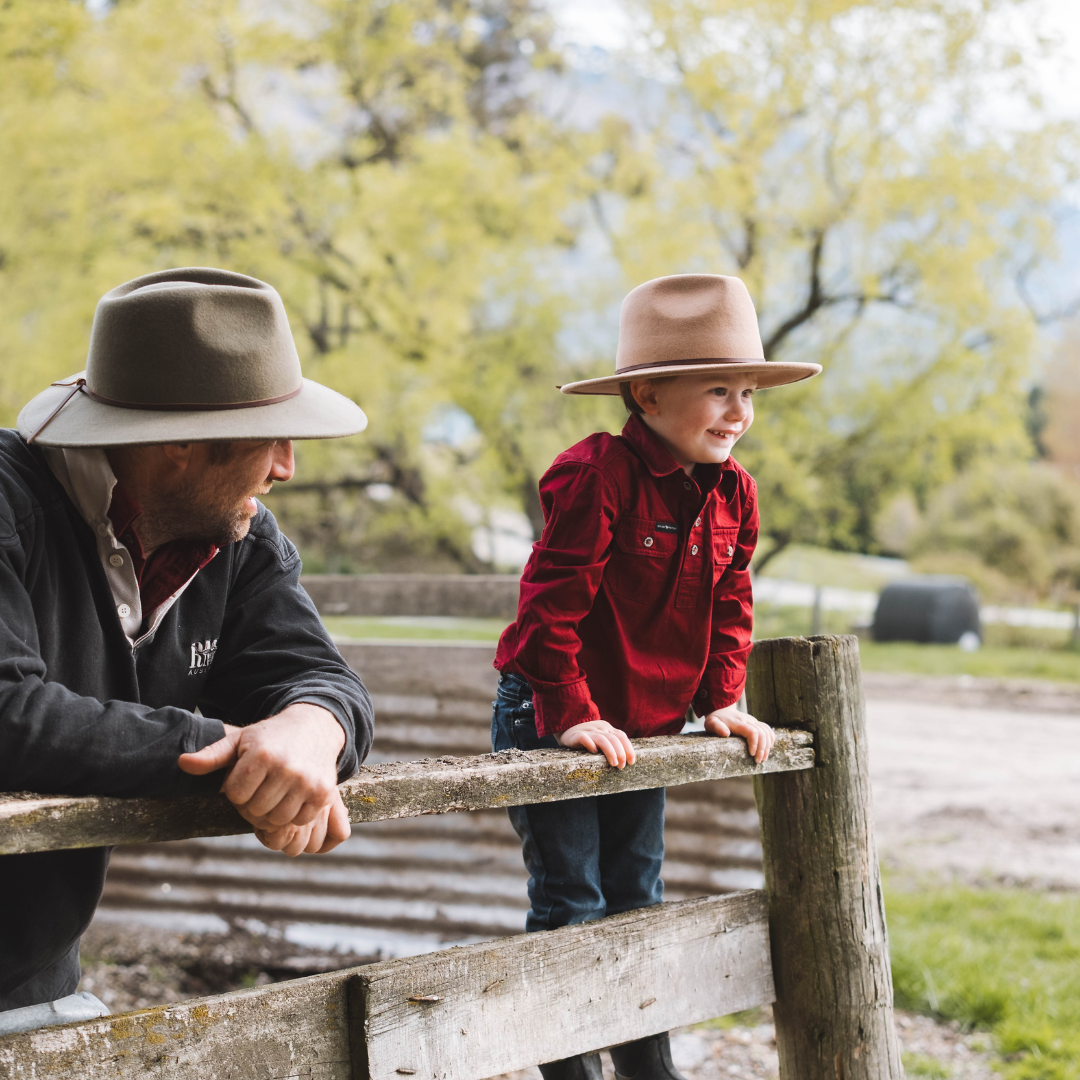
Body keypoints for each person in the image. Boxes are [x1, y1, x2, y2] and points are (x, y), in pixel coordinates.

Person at [0, 268, 374, 1029]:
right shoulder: (10, 503)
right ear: (177, 440)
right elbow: (10, 714)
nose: (285, 467)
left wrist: (310, 730)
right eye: (272, 437)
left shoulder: (236, 535)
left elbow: (320, 677)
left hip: (37, 983)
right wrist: (227, 747)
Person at [492, 274, 820, 1080]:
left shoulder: (734, 492)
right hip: (553, 712)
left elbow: (731, 599)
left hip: (644, 726)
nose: (740, 411)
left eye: (748, 391)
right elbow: (550, 605)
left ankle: (649, 1071)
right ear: (646, 394)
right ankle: (571, 1069)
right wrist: (567, 709)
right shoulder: (595, 473)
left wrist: (720, 700)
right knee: (572, 901)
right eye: (718, 390)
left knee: (639, 896)